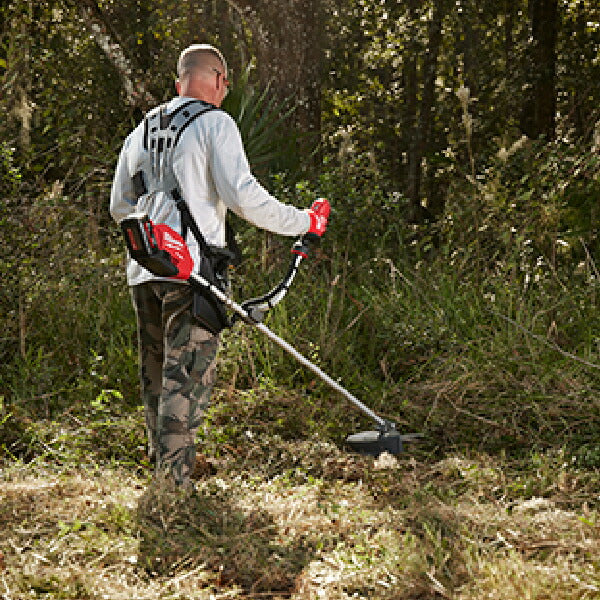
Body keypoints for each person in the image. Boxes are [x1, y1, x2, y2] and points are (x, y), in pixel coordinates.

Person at [110, 43, 329, 489]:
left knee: (155, 373)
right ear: (218, 79)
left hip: (143, 270)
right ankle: (173, 487)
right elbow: (244, 197)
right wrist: (305, 221)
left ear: (178, 83)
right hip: (189, 274)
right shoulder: (215, 123)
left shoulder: (141, 131)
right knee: (185, 378)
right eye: (225, 84)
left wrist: (155, 228)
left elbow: (119, 206)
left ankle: (163, 470)